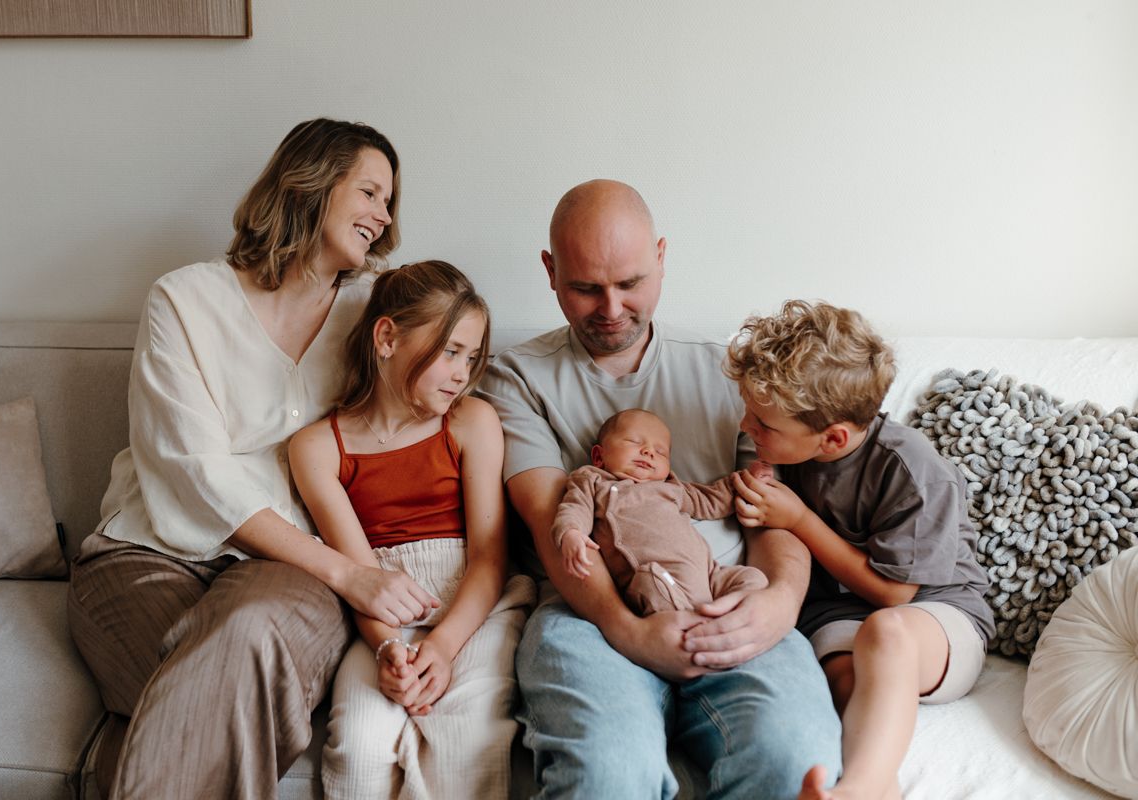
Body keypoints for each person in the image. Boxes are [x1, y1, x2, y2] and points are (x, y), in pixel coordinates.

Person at [67, 119, 442, 800]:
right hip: (143, 557)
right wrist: (350, 574)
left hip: (282, 572)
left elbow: (448, 379)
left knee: (242, 640)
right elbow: (192, 471)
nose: (385, 219)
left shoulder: (373, 320)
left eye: (389, 202)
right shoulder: (183, 300)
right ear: (313, 184)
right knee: (219, 681)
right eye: (370, 192)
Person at [477, 179, 842, 798]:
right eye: (586, 287)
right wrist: (628, 629)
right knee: (607, 775)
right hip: (591, 616)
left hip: (727, 604)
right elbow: (552, 527)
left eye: (631, 283)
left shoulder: (732, 374)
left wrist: (778, 607)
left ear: (663, 259)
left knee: (794, 761)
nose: (612, 309)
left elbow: (775, 513)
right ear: (549, 271)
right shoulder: (515, 380)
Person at [725, 300, 993, 800]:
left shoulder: (909, 470)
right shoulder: (779, 448)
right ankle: (877, 788)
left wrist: (799, 519)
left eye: (762, 424)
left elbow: (894, 595)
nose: (746, 426)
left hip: (935, 615)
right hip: (839, 616)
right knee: (849, 689)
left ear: (833, 438)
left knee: (885, 634)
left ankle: (858, 792)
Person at [289, 259, 535, 799]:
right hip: (379, 614)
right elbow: (360, 575)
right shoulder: (318, 448)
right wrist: (388, 653)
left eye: (471, 358)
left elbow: (490, 558)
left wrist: (443, 648)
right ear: (386, 337)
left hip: (474, 605)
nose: (461, 373)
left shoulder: (471, 422)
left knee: (463, 740)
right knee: (358, 744)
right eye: (449, 352)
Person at [553, 407, 769, 614]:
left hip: (709, 575)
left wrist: (748, 481)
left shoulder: (672, 488)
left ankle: (726, 617)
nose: (648, 452)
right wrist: (571, 533)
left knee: (754, 579)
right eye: (634, 442)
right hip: (657, 576)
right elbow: (575, 507)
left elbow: (713, 499)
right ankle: (698, 624)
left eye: (660, 451)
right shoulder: (594, 480)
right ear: (599, 457)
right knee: (652, 587)